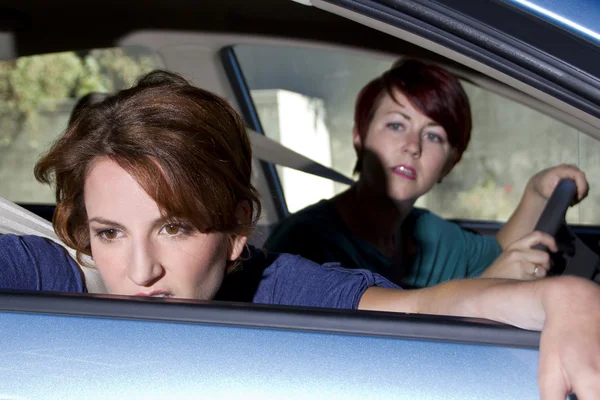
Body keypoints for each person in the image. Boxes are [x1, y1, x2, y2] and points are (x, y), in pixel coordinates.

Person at [0, 70, 599, 398]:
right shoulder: (52, 276)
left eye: (175, 227)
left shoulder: (280, 283)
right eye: (108, 232)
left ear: (237, 230)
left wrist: (565, 297)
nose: (137, 270)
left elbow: (415, 308)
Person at [266, 59, 588, 288]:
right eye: (396, 125)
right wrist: (487, 288)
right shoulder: (304, 244)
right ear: (359, 136)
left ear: (450, 163)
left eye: (433, 135)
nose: (412, 146)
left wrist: (536, 193)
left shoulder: (427, 233)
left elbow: (502, 256)